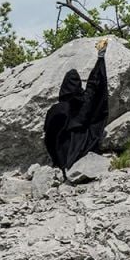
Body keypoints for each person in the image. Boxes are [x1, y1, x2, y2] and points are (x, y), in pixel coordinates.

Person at [44, 38, 109, 179]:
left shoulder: (55, 110)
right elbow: (95, 85)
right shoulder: (84, 102)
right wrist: (101, 56)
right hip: (82, 147)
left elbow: (48, 137)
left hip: (61, 154)